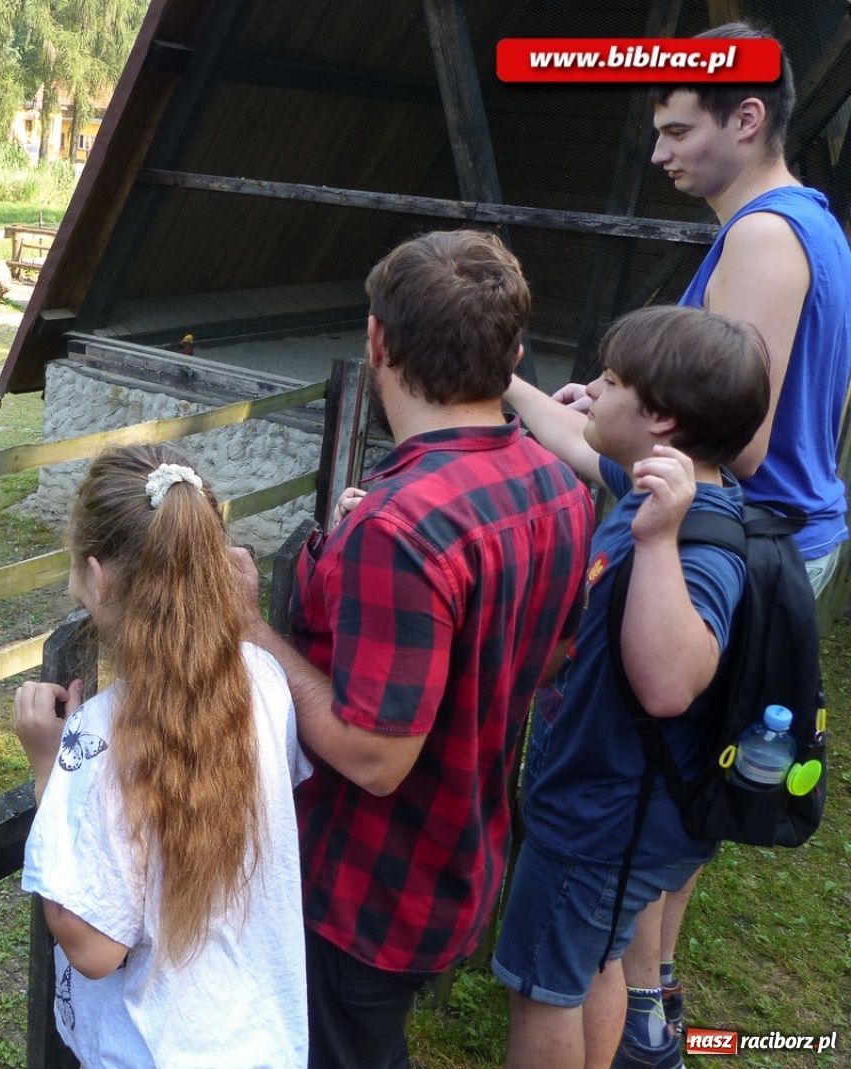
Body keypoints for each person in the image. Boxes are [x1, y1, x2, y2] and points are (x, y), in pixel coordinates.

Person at [552, 21, 851, 1047]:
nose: (659, 152)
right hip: (775, 539)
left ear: (747, 115)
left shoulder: (764, 237)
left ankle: (637, 1015)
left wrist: (597, 429)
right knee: (687, 781)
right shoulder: (810, 220)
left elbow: (742, 434)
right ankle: (658, 988)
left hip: (736, 541)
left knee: (651, 782)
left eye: (678, 128)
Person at [234, 228, 595, 1069]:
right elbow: (549, 654)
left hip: (368, 893)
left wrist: (251, 628)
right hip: (462, 854)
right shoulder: (556, 483)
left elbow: (375, 756)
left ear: (377, 341)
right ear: (511, 355)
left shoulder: (401, 527)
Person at [498, 306, 771, 1069]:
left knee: (542, 988)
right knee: (594, 962)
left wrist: (653, 541)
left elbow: (668, 684)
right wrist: (507, 383)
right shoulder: (661, 484)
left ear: (661, 418)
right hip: (610, 809)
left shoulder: (690, 540)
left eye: (612, 381)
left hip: (602, 820)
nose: (592, 388)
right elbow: (563, 435)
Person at [15, 443, 312, 1068]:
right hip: (263, 1040)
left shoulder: (99, 736)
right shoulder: (263, 678)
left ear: (98, 579)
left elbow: (95, 949)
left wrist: (49, 770)